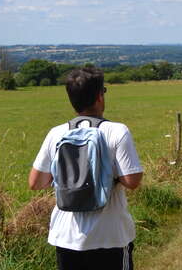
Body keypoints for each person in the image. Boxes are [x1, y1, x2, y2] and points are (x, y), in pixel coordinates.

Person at [28, 67, 143, 270]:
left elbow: (35, 183)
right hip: (110, 234)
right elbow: (132, 181)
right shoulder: (117, 131)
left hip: (66, 237)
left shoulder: (56, 133)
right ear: (100, 96)